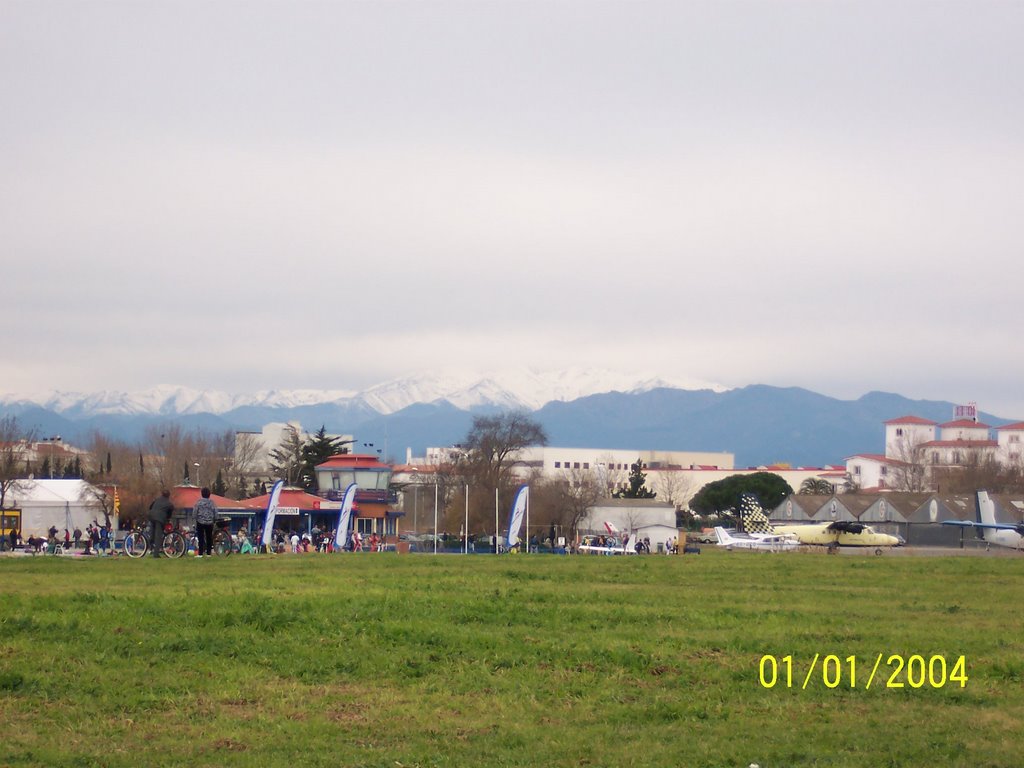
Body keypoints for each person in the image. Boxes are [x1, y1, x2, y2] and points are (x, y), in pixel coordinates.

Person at [148, 489, 174, 558]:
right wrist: (167, 518)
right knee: (158, 536)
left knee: (153, 532)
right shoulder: (169, 504)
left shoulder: (156, 500)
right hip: (160, 519)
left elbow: (150, 507)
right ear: (169, 496)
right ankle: (156, 554)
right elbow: (170, 513)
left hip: (151, 516)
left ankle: (150, 543)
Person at [193, 487, 218, 558]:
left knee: (200, 537)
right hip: (210, 522)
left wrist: (195, 517)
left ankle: (200, 553)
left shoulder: (199, 502)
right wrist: (215, 519)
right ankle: (208, 553)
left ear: (202, 494)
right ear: (209, 494)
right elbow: (215, 511)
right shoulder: (212, 502)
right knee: (209, 537)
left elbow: (195, 511)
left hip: (200, 521)